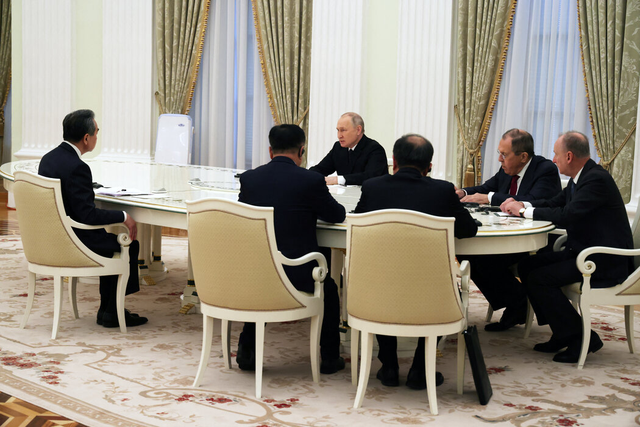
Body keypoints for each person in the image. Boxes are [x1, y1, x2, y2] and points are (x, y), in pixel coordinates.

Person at [354, 134, 478, 390]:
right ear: (429, 166)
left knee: (383, 288)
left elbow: (357, 225)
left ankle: (389, 366)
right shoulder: (442, 190)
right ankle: (420, 370)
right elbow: (468, 230)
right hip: (431, 292)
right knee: (447, 291)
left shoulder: (372, 187)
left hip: (378, 288)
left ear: (394, 161)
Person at [502, 131, 633, 363]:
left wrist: (523, 212)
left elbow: (566, 215)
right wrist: (523, 204)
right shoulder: (580, 178)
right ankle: (562, 331)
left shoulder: (595, 180)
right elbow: (554, 203)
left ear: (569, 156)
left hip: (603, 260)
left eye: (556, 154)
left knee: (541, 278)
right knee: (527, 265)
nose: (554, 159)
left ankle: (582, 338)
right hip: (583, 252)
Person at [237, 124, 347, 374]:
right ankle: (329, 358)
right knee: (329, 288)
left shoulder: (249, 178)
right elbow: (337, 215)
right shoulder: (311, 180)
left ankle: (247, 350)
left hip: (258, 270)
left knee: (264, 285)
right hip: (298, 274)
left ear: (270, 151)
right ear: (301, 151)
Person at [38, 109, 147, 328]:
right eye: (97, 132)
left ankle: (108, 310)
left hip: (55, 237)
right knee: (127, 246)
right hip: (75, 240)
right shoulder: (78, 167)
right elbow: (88, 215)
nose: (97, 136)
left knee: (109, 241)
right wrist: (123, 216)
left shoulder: (48, 159)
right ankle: (112, 311)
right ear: (86, 138)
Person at [456, 129, 561, 332]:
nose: (499, 159)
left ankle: (518, 304)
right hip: (507, 233)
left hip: (532, 240)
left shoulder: (545, 169)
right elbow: (486, 188)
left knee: (481, 257)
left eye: (504, 155)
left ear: (523, 157)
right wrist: (463, 192)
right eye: (499, 153)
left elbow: (534, 200)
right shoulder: (506, 170)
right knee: (467, 252)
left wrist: (490, 198)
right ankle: (517, 302)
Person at [310, 112, 388, 185]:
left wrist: (337, 180)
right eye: (338, 130)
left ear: (358, 130)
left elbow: (370, 177)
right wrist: (306, 175)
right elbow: (320, 169)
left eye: (343, 130)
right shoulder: (338, 147)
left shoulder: (375, 149)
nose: (339, 136)